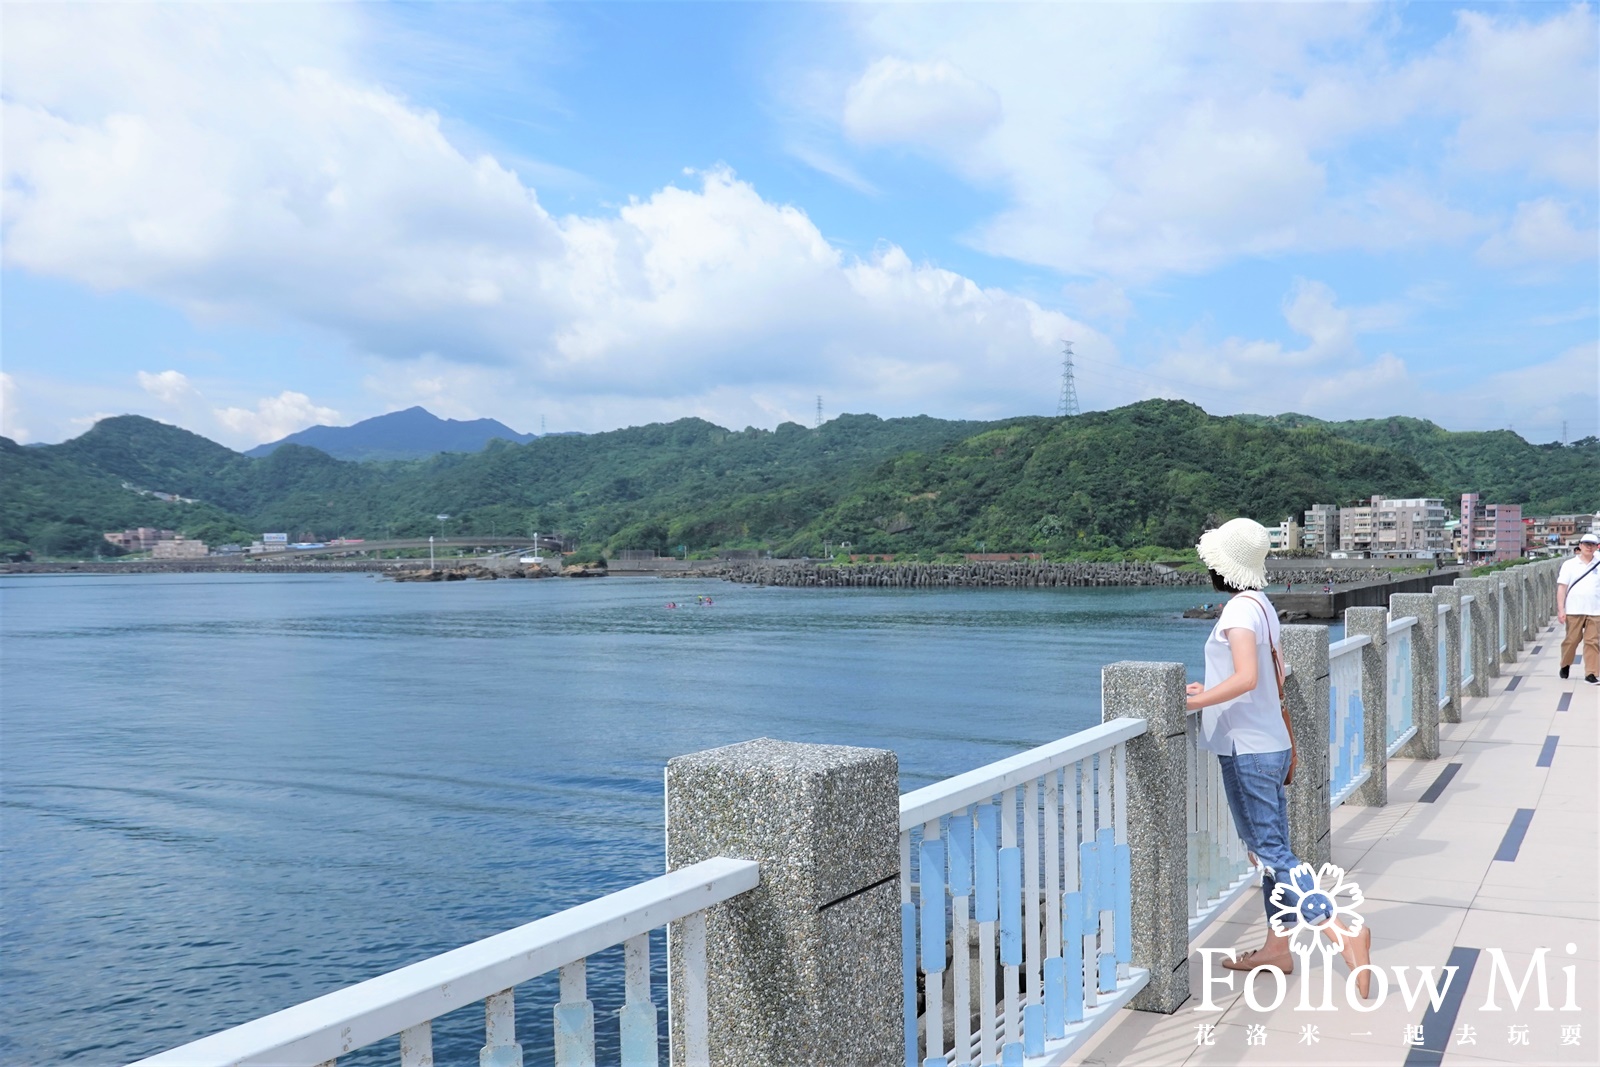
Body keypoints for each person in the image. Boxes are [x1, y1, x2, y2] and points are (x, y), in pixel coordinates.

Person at [1185, 517, 1375, 992]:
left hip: (1247, 750)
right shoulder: (1262, 606)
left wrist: (1191, 702)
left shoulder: (1235, 613)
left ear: (1219, 568)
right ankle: (1277, 948)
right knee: (1268, 854)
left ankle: (1342, 930)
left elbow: (1247, 677)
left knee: (1272, 853)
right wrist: (1209, 689)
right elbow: (1270, 678)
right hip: (1268, 743)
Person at [1557, 533, 1600, 683]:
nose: (1589, 547)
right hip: (1574, 610)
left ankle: (1591, 673)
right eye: (1586, 544)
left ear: (1596, 547)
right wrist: (1561, 609)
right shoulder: (1569, 565)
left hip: (1595, 610)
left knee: (1592, 641)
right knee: (1572, 640)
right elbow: (1562, 588)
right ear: (1580, 546)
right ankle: (1565, 664)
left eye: (1592, 544)